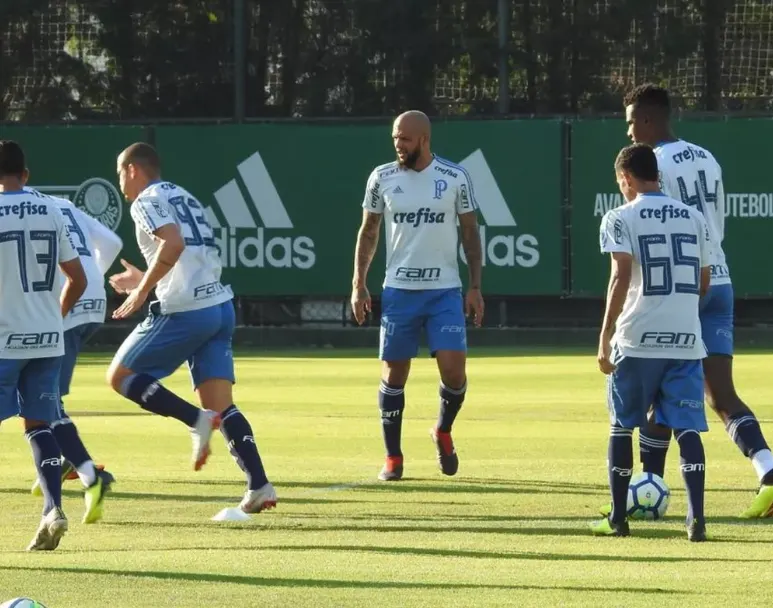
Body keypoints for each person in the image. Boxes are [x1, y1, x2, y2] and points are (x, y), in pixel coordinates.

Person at [620, 84, 773, 519]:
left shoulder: (650, 166)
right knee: (720, 394)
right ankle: (769, 471)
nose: (629, 130)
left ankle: (646, 488)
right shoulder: (706, 157)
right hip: (718, 279)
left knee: (657, 390)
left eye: (631, 120)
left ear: (648, 119)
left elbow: (646, 229)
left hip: (678, 286)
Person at [106, 142, 276, 513]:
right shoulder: (183, 196)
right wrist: (142, 279)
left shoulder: (145, 201)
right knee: (222, 405)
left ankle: (196, 421)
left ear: (133, 169)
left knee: (120, 376)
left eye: (120, 173)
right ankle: (259, 485)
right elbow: (186, 253)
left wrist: (143, 291)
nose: (120, 182)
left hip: (186, 310)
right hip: (219, 305)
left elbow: (174, 243)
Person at [350, 110, 485, 481]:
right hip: (399, 291)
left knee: (454, 372)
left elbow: (471, 234)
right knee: (394, 374)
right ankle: (393, 457)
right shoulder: (382, 177)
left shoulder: (454, 177)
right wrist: (358, 283)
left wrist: (475, 286)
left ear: (424, 139)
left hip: (444, 290)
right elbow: (369, 231)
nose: (398, 145)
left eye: (405, 139)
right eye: (395, 138)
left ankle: (442, 430)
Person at [591, 143, 711, 541]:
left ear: (625, 178)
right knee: (687, 429)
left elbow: (620, 275)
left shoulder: (619, 217)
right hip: (685, 338)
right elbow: (704, 280)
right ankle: (695, 520)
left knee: (621, 426)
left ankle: (619, 519)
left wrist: (605, 332)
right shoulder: (694, 217)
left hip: (638, 338)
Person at [0, 140, 88, 550]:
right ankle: (53, 508)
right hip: (47, 338)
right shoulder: (52, 208)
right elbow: (79, 278)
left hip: (3, 339)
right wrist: (54, 317)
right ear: (26, 174)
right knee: (39, 425)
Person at [25, 186, 122, 524]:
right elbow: (111, 243)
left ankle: (90, 475)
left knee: (43, 402)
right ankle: (64, 462)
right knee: (49, 400)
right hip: (93, 299)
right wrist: (94, 275)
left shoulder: (18, 207)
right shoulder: (61, 204)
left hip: (62, 301)